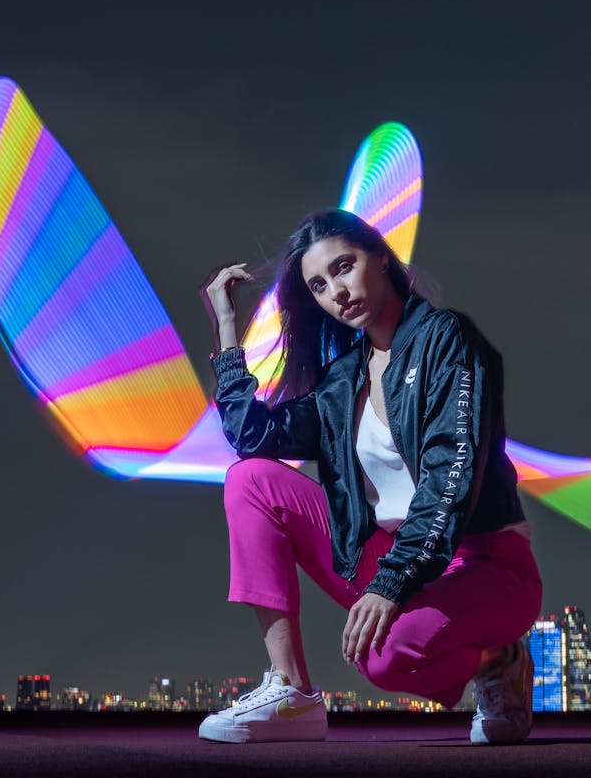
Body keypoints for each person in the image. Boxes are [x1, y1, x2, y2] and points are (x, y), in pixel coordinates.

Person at [198, 209, 542, 745]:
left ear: (379, 257)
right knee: (251, 480)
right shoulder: (343, 381)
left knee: (382, 658)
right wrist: (225, 328)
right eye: (318, 284)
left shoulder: (446, 339)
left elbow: (452, 473)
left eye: (343, 267)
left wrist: (389, 583)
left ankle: (499, 659)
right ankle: (291, 690)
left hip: (484, 565)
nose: (336, 290)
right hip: (392, 557)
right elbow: (253, 437)